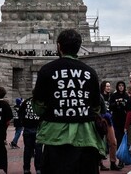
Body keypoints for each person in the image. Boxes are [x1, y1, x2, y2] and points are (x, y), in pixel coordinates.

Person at [32, 28, 105, 174]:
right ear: (78, 47)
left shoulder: (46, 70)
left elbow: (38, 107)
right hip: (87, 139)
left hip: (54, 139)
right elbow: (96, 108)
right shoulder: (90, 72)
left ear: (59, 46)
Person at [99, 81, 120, 171]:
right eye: (107, 86)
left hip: (110, 120)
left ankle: (112, 162)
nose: (108, 88)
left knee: (113, 141)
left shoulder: (112, 96)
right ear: (103, 87)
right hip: (100, 120)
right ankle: (100, 163)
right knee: (100, 142)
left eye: (109, 86)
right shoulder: (99, 96)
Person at [19, 96, 42, 174]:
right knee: (38, 150)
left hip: (27, 128)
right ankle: (38, 169)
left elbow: (20, 113)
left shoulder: (26, 102)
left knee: (27, 150)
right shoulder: (40, 102)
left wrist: (23, 122)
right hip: (38, 128)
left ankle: (26, 169)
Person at [110, 79, 128, 166]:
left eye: (122, 86)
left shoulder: (126, 95)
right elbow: (110, 106)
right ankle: (120, 159)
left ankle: (122, 159)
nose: (121, 87)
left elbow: (129, 106)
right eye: (119, 85)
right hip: (116, 120)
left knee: (124, 140)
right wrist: (117, 103)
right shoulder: (114, 95)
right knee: (118, 139)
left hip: (124, 120)